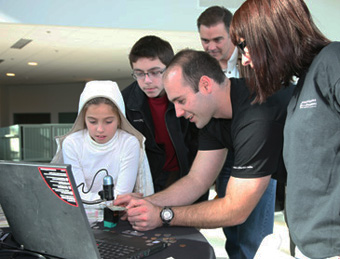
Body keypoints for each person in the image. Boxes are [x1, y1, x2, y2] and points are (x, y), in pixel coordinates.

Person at [115, 50, 293, 258]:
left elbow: (236, 209)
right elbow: (196, 180)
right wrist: (147, 205)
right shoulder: (212, 115)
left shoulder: (255, 115)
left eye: (181, 101)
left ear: (206, 85)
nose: (179, 112)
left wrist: (164, 215)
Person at [229, 0, 340, 258]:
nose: (245, 60)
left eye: (245, 46)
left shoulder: (333, 61)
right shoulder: (302, 87)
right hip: (308, 246)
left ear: (271, 33)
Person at [197, 6, 277, 258]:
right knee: (231, 232)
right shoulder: (202, 71)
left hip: (258, 152)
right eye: (205, 40)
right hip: (224, 155)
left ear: (233, 35)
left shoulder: (255, 63)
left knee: (253, 235)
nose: (210, 46)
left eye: (217, 39)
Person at [122, 36, 206, 201]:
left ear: (170, 69)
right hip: (147, 180)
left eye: (155, 72)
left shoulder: (189, 94)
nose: (147, 81)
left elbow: (199, 142)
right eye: (139, 74)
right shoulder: (125, 101)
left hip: (186, 175)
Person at [52, 80, 154, 203]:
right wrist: (110, 201)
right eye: (92, 121)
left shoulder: (129, 143)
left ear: (120, 119)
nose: (100, 129)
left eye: (108, 121)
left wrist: (92, 202)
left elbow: (122, 196)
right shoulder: (72, 143)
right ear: (83, 118)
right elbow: (77, 194)